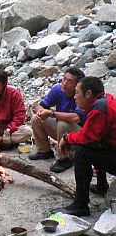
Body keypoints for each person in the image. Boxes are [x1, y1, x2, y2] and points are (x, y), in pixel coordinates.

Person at [52, 77, 116, 217]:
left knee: (82, 151)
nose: (74, 97)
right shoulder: (105, 100)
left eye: (76, 93)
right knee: (94, 145)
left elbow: (86, 138)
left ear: (88, 94)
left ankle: (80, 204)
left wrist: (66, 138)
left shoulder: (100, 107)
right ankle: (101, 186)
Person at [28, 67, 86, 173]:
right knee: (36, 118)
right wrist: (41, 113)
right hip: (62, 131)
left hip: (80, 135)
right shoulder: (57, 90)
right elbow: (42, 105)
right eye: (64, 79)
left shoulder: (81, 95)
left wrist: (51, 113)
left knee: (63, 123)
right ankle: (44, 151)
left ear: (77, 85)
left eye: (70, 82)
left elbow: (76, 118)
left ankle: (64, 158)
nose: (65, 83)